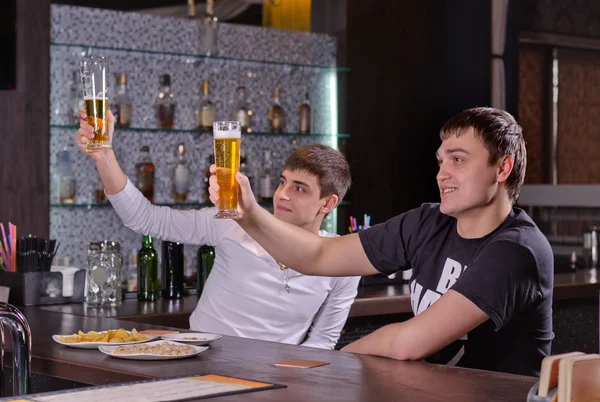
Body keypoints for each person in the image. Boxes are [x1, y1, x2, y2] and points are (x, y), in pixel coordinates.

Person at [209, 107, 554, 376]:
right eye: (441, 160)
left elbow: (408, 344)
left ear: (502, 168)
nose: (441, 173)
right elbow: (318, 255)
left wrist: (330, 364)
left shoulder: (517, 251)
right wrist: (248, 213)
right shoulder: (428, 223)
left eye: (458, 159)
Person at [75, 109, 360, 350]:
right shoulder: (229, 222)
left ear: (328, 203)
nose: (283, 194)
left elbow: (322, 342)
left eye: (299, 189)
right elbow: (145, 219)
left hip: (272, 380)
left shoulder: (341, 262)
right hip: (198, 359)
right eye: (282, 182)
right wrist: (104, 157)